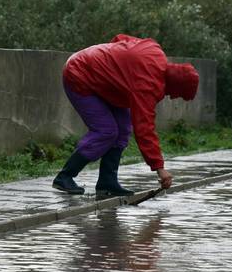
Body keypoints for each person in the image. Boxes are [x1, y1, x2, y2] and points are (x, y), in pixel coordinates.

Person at [53, 34, 199, 196]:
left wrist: (113, 67)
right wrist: (160, 168)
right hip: (79, 74)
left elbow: (119, 38)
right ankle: (64, 177)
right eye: (177, 94)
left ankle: (107, 183)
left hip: (100, 77)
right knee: (106, 131)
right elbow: (144, 129)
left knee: (122, 129)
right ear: (176, 85)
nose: (172, 97)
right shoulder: (148, 85)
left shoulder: (155, 50)